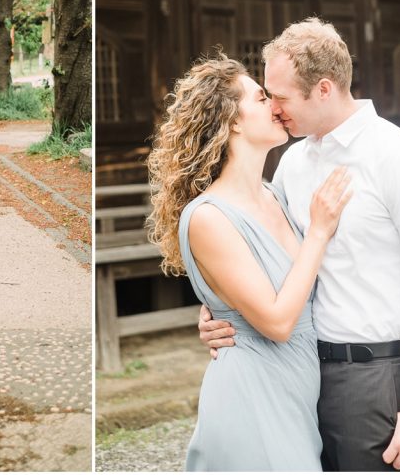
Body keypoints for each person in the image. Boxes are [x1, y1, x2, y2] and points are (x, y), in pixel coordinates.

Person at [199, 18, 400, 472]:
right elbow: (266, 258)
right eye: (266, 95)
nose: (274, 109)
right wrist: (219, 311)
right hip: (300, 372)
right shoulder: (292, 164)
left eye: (281, 97)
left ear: (323, 89)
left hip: (376, 377)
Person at [147, 54, 352, 471]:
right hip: (250, 398)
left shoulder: (275, 195)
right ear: (232, 120)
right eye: (261, 98)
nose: (275, 106)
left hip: (298, 398)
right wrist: (318, 232)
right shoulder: (207, 217)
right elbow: (276, 323)